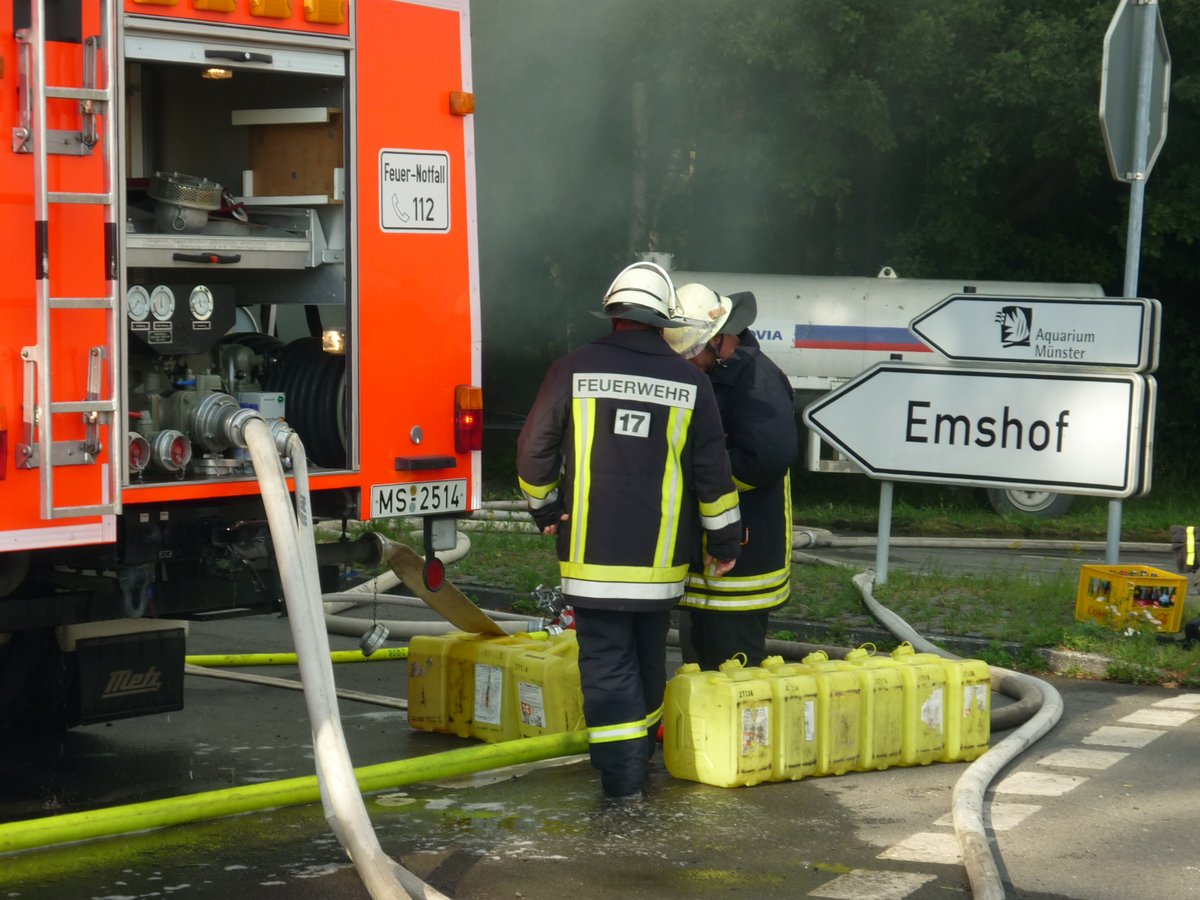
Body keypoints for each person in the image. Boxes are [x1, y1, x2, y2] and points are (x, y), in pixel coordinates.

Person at [517, 261, 742, 801]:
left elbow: (533, 451)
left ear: (613, 313)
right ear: (663, 320)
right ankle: (639, 759)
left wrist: (545, 510)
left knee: (606, 666)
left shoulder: (572, 368)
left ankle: (622, 782)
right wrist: (724, 540)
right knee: (646, 660)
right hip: (661, 565)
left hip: (592, 560)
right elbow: (713, 474)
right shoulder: (691, 381)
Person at [665, 282, 799, 670]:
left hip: (743, 565)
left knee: (732, 679)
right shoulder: (714, 372)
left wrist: (699, 477)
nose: (686, 361)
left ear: (720, 339)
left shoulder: (758, 380)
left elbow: (766, 459)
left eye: (692, 350)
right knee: (697, 670)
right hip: (707, 564)